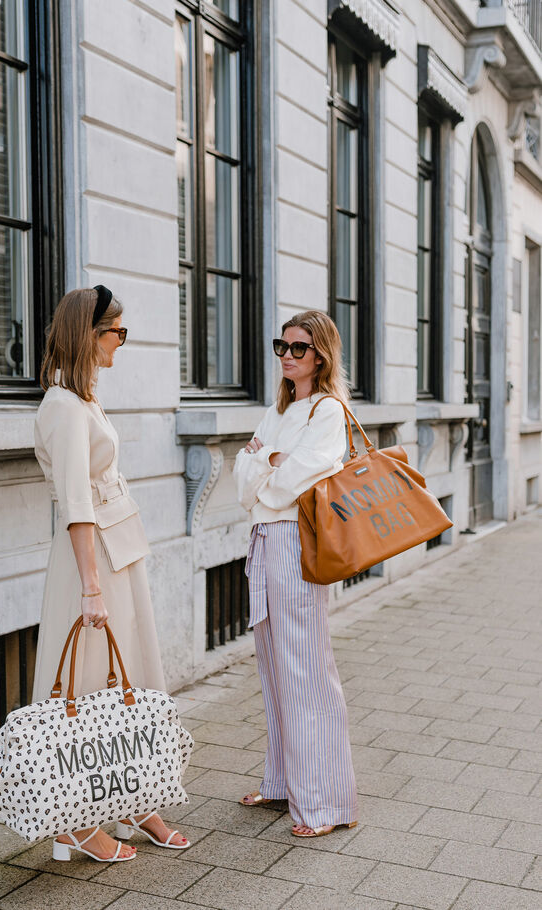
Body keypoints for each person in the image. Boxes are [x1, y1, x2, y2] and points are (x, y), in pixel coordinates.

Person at [32, 286, 189, 862]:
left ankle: (129, 798)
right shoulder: (64, 406)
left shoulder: (84, 399)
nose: (122, 342)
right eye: (116, 332)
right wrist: (90, 587)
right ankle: (73, 822)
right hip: (91, 560)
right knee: (86, 691)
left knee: (127, 685)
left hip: (117, 552)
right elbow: (76, 502)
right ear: (89, 333)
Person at [233, 310, 358, 838]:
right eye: (281, 346)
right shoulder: (278, 409)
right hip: (264, 541)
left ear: (321, 356)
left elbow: (291, 484)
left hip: (295, 543)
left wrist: (266, 464)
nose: (287, 355)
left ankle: (325, 802)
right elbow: (245, 482)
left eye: (299, 348)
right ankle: (284, 781)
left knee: (305, 669)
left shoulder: (327, 411)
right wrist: (268, 464)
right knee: (274, 667)